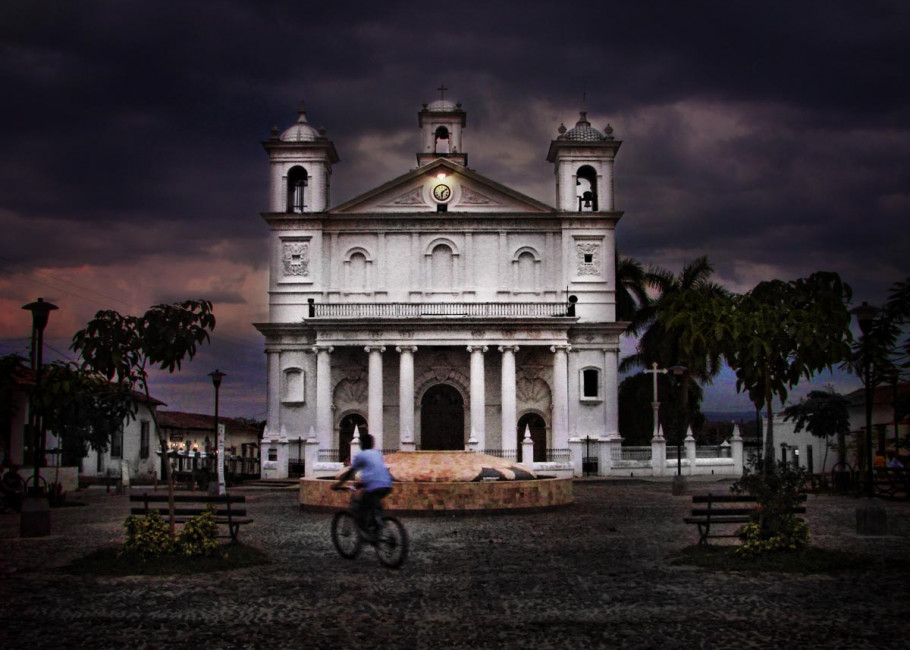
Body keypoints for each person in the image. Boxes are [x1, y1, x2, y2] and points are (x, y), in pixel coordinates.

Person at [333, 432, 393, 536]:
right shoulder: (377, 454)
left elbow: (350, 472)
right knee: (373, 505)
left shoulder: (361, 455)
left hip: (374, 486)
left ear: (361, 444)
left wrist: (338, 484)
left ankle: (372, 528)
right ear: (372, 444)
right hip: (387, 485)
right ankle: (377, 524)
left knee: (359, 504)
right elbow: (375, 471)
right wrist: (362, 484)